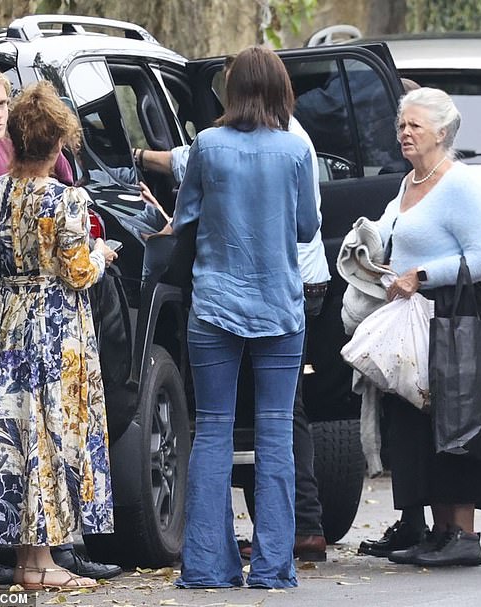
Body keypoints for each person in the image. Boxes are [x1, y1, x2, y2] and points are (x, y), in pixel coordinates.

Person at [0, 61, 121, 584]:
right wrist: (102, 252)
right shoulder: (65, 198)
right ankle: (43, 561)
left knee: (12, 438)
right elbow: (78, 272)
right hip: (55, 329)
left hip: (5, 323)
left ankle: (32, 565)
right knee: (51, 436)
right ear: (57, 143)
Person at [169, 46, 318, 589]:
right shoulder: (296, 151)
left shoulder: (205, 146)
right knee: (276, 432)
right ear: (280, 90)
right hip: (280, 308)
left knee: (212, 431)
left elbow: (185, 216)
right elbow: (306, 228)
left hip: (213, 307)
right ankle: (274, 568)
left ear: (232, 92)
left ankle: (208, 566)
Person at [361, 87, 481, 567]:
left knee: (456, 419)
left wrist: (421, 275)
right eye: (401, 125)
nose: (404, 133)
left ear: (441, 132)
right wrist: (362, 243)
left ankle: (463, 535)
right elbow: (385, 229)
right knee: (419, 424)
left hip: (454, 312)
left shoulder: (458, 183)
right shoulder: (409, 182)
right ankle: (438, 533)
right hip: (414, 316)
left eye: (414, 125)